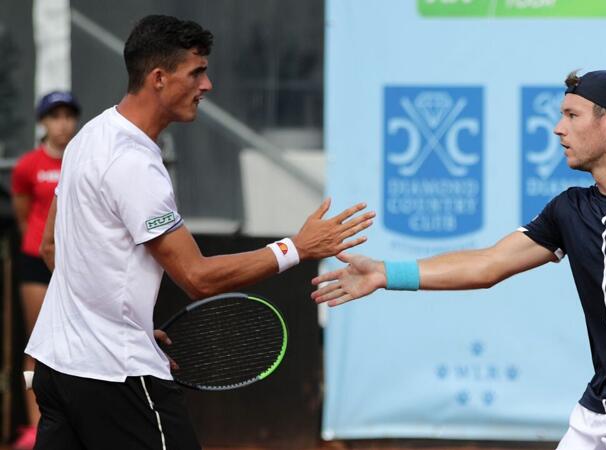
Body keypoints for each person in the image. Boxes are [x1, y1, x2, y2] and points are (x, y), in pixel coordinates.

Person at [311, 70, 606, 449]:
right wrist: (385, 274)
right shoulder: (569, 209)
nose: (558, 128)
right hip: (596, 408)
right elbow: (488, 265)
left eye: (572, 115)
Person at [25, 15, 374, 449]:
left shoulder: (87, 137)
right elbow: (197, 277)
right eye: (196, 72)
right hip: (117, 378)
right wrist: (296, 249)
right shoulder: (135, 165)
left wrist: (115, 321)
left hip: (57, 371)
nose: (206, 85)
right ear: (158, 78)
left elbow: (51, 245)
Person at [10, 91, 79, 450]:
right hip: (37, 260)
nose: (63, 123)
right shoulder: (27, 165)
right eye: (55, 116)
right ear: (43, 122)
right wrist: (39, 244)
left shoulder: (83, 160)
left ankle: (74, 425)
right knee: (38, 342)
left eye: (69, 115)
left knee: (77, 342)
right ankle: (36, 426)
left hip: (76, 264)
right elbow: (23, 213)